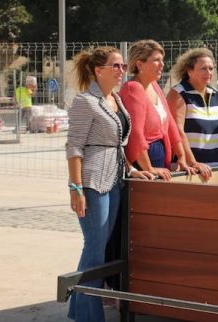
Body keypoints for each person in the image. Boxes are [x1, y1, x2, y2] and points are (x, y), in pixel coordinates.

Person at [66, 46, 153, 322]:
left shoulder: (115, 98)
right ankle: (88, 317)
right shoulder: (85, 101)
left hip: (115, 179)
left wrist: (131, 169)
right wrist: (76, 189)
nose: (121, 71)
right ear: (97, 70)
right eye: (115, 66)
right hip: (92, 182)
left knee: (98, 248)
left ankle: (77, 309)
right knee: (95, 248)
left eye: (122, 67)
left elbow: (118, 143)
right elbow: (74, 148)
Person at [119, 39, 195, 181]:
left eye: (162, 60)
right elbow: (136, 133)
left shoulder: (154, 85)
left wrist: (181, 156)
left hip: (160, 157)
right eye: (156, 60)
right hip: (144, 161)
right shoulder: (133, 88)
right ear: (139, 64)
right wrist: (149, 168)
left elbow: (170, 123)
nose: (162, 65)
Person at [166, 48, 218, 171]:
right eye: (203, 68)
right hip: (187, 170)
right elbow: (177, 131)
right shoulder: (178, 93)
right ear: (189, 71)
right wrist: (193, 162)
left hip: (212, 167)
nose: (209, 72)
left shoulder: (215, 94)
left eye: (211, 68)